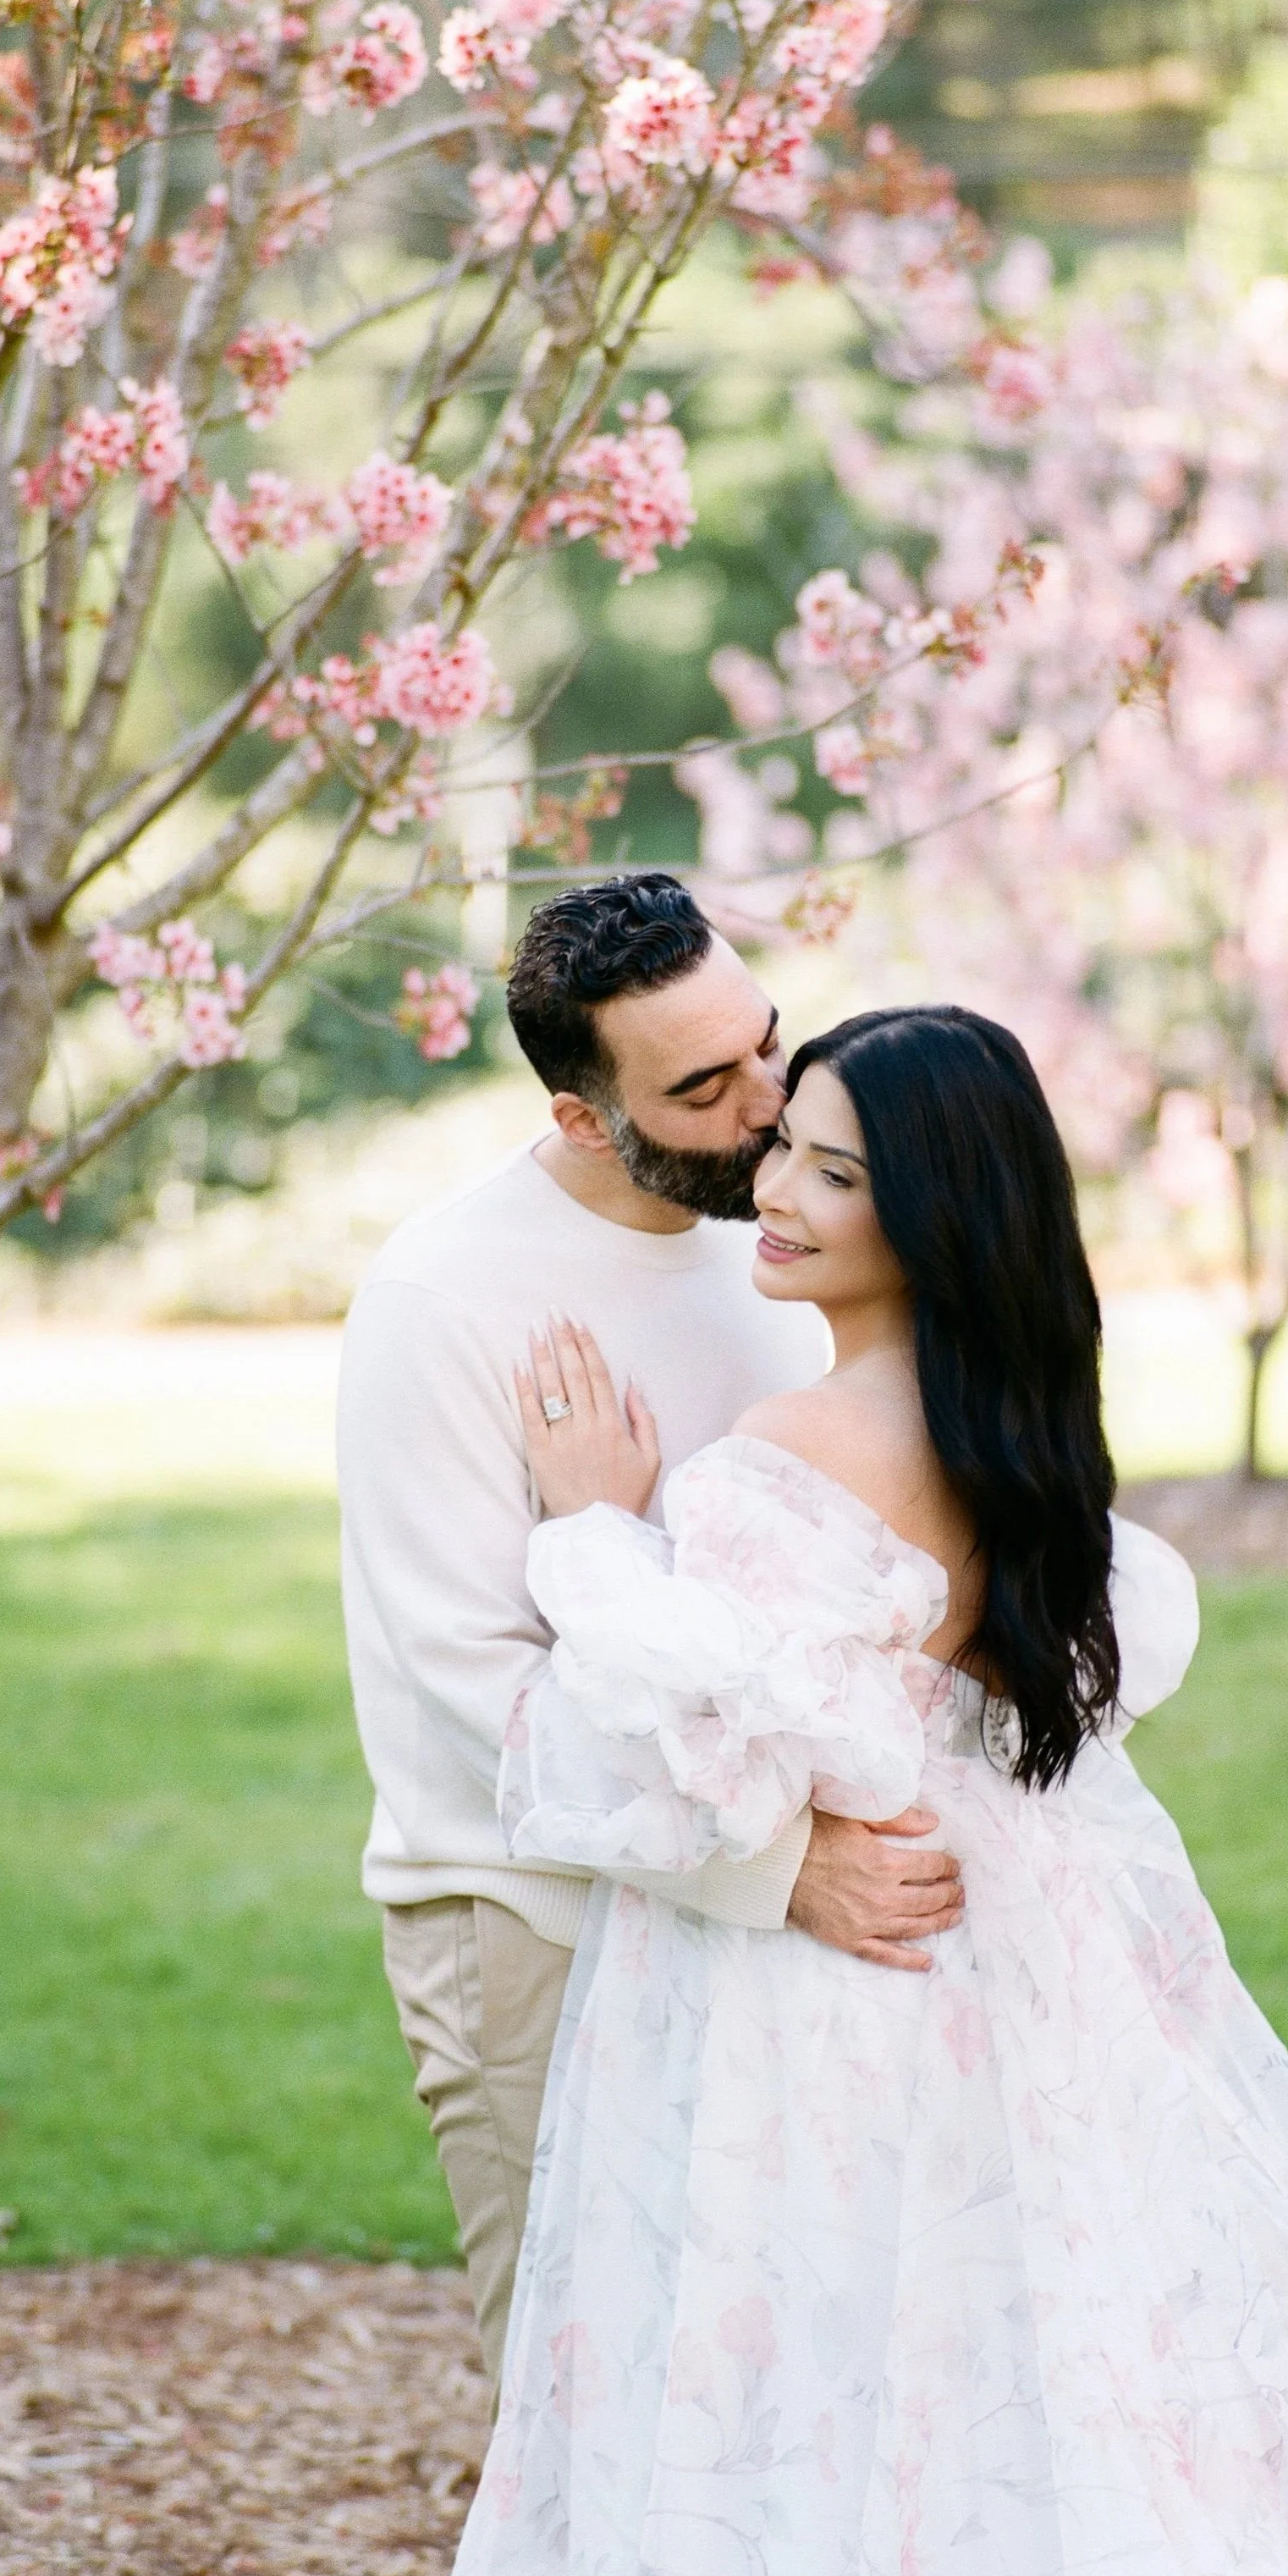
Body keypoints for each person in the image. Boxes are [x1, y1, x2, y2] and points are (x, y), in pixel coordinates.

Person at [418, 1005, 1288, 2576]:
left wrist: (596, 1528)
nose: (774, 1189)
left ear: (933, 1218)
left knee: (826, 2362)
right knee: (1042, 2335)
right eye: (784, 1147)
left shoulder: (779, 1463)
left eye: (833, 1173)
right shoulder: (1021, 1441)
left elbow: (689, 1763)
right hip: (1024, 1938)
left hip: (845, 1974)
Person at [337, 880, 966, 2391]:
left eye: (765, 1044)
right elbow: (470, 1687)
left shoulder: (791, 1239)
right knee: (585, 2396)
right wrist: (782, 1867)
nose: (769, 1107)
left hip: (768, 1932)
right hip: (535, 1919)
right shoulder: (444, 1300)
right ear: (577, 1116)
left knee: (762, 2396)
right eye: (702, 1087)